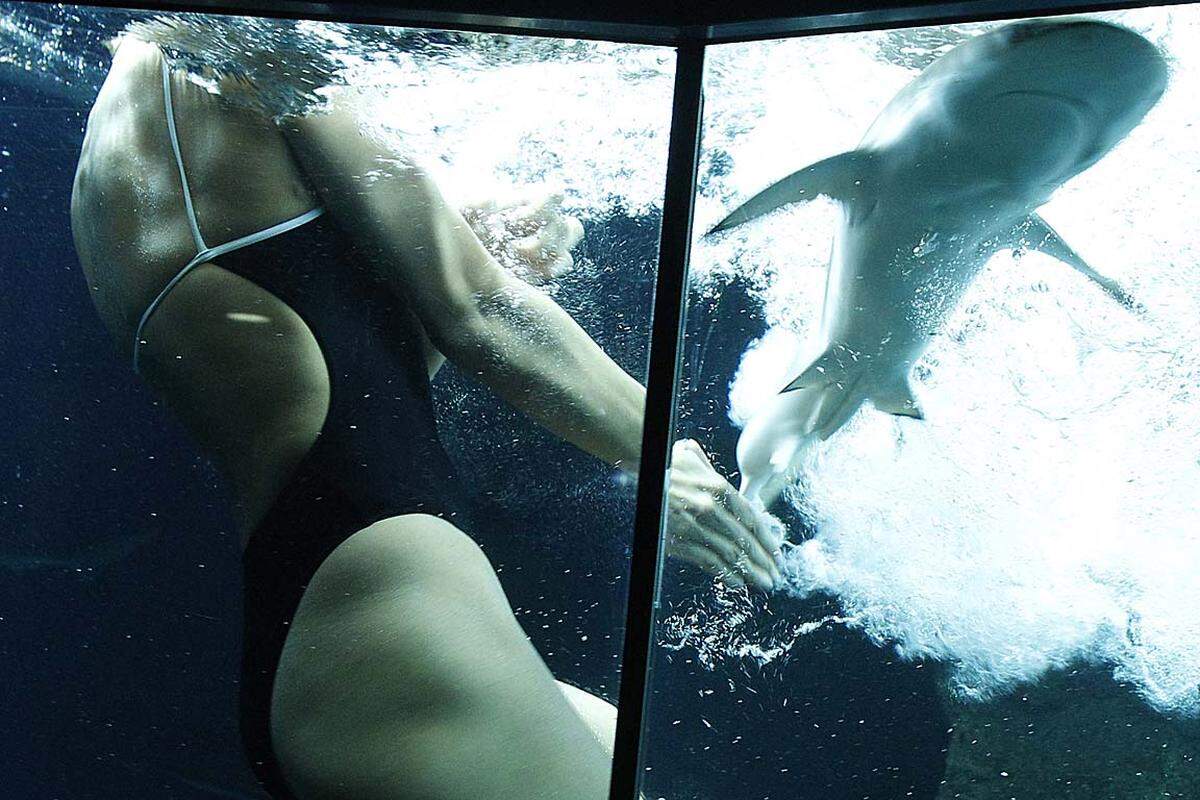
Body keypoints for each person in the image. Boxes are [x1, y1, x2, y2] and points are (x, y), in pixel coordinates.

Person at [71, 29, 782, 800]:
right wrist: (661, 454)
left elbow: (341, 382)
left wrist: (479, 246)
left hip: (335, 627)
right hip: (394, 611)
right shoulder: (260, 45)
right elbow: (477, 310)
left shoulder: (119, 143)